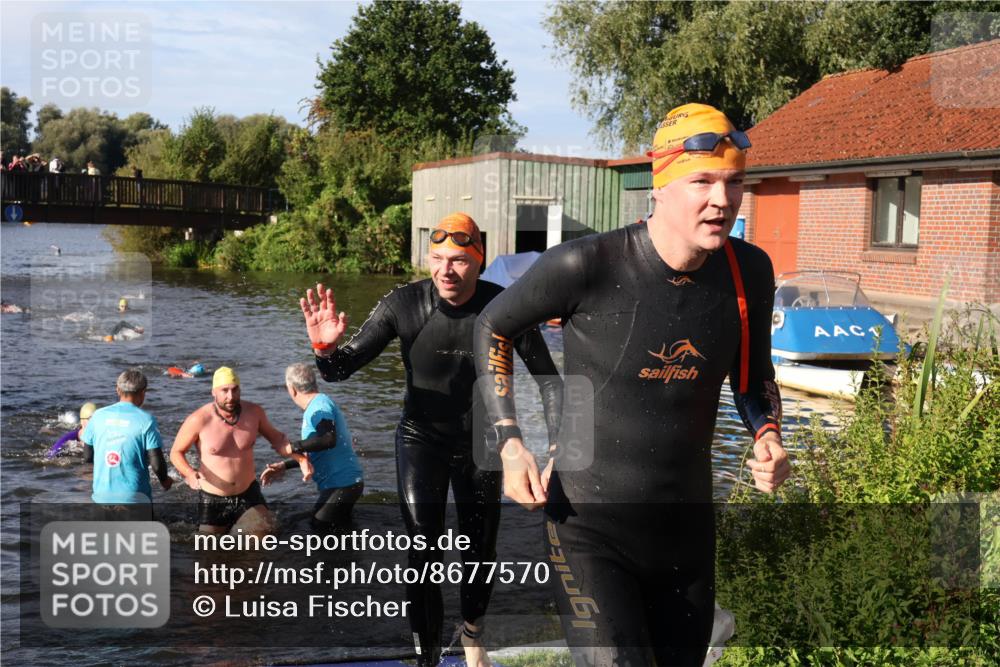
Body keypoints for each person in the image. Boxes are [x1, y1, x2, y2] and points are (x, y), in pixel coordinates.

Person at [474, 103, 791, 666]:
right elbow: (493, 326)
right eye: (703, 181)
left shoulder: (750, 270)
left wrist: (767, 434)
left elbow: (753, 376)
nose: (723, 199)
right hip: (590, 528)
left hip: (686, 533)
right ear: (660, 185)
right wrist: (509, 441)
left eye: (735, 182)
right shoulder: (586, 265)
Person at [300, 212, 563, 667]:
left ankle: (472, 633)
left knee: (480, 548)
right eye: (438, 258)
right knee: (423, 545)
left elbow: (552, 382)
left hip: (486, 442)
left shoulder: (505, 307)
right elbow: (340, 371)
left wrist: (561, 448)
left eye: (459, 260)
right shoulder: (403, 304)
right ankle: (426, 659)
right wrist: (324, 350)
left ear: (479, 261)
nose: (446, 270)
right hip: (421, 437)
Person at [169, 366, 313, 537]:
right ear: (213, 392)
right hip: (213, 498)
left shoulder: (254, 413)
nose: (230, 396)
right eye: (224, 391)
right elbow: (176, 452)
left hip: (248, 494)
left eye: (235, 390)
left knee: (263, 536)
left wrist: (301, 460)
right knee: (209, 554)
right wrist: (189, 473)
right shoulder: (199, 419)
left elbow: (278, 440)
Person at [260, 363, 364, 532]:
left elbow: (328, 439)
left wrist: (292, 446)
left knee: (319, 529)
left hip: (342, 485)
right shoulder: (320, 403)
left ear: (291, 389)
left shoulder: (319, 407)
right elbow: (319, 448)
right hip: (347, 484)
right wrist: (284, 465)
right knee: (341, 534)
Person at [81, 370, 172, 503]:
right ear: (143, 392)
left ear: (117, 390)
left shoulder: (97, 416)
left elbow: (88, 457)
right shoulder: (146, 420)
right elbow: (156, 463)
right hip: (135, 498)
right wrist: (165, 481)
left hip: (101, 497)